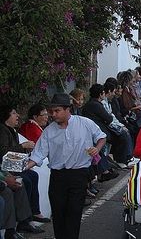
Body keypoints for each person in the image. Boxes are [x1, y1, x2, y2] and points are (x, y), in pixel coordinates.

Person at [26, 94, 107, 239]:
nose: (53, 115)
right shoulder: (49, 131)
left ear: (67, 109)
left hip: (79, 174)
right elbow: (38, 154)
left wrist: (97, 148)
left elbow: (101, 136)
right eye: (52, 111)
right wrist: (24, 166)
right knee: (58, 212)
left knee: (74, 212)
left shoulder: (85, 123)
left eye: (57, 111)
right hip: (58, 176)